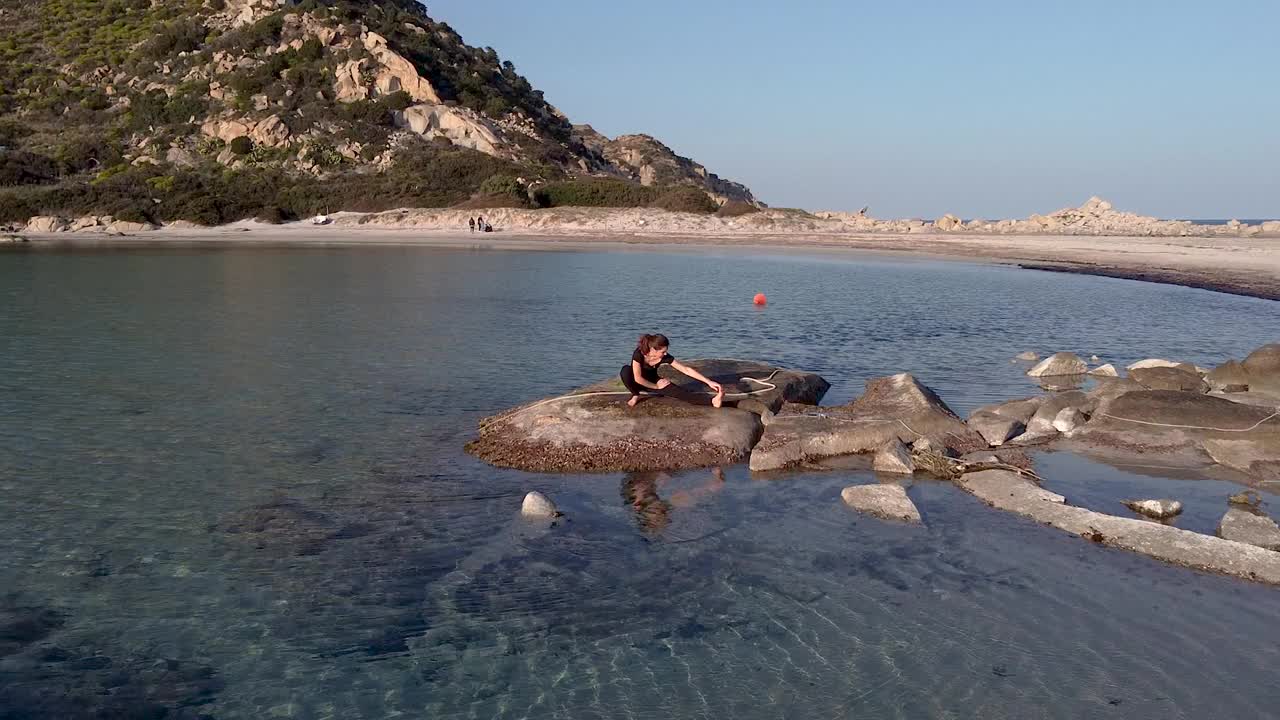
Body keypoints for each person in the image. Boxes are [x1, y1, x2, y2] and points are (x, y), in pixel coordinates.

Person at [621, 333, 725, 408]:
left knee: (681, 393)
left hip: (653, 381)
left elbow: (686, 370)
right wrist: (656, 387)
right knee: (625, 371)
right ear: (653, 349)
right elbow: (638, 378)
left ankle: (712, 402)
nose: (666, 354)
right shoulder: (639, 354)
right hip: (637, 382)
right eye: (663, 351)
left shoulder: (664, 357)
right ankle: (635, 394)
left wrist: (708, 382)